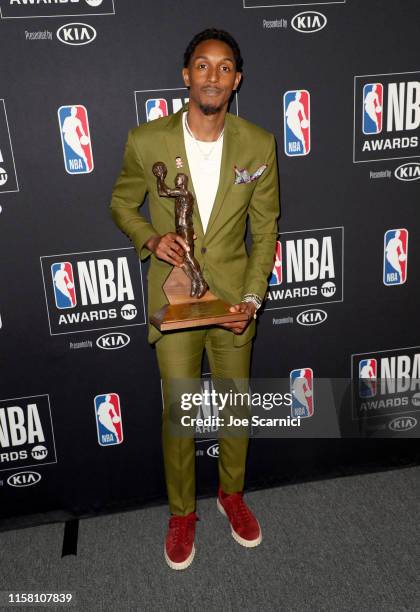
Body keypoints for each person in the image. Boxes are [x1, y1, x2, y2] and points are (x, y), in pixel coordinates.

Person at [110, 28, 280, 570]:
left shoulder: (258, 143)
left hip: (233, 304)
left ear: (237, 79)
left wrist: (251, 300)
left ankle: (232, 495)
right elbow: (122, 203)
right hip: (175, 301)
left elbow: (266, 229)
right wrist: (150, 238)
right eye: (202, 66)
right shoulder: (146, 140)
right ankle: (182, 512)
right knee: (179, 412)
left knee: (234, 407)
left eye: (224, 67)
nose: (213, 76)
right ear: (187, 75)